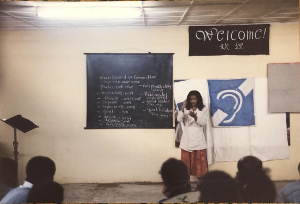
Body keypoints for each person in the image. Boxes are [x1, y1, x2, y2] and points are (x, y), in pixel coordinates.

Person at [176, 90, 208, 181]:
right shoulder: (186, 109)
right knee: (186, 164)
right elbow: (179, 119)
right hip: (187, 138)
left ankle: (201, 184)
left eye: (195, 99)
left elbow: (204, 122)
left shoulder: (204, 109)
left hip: (198, 137)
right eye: (191, 99)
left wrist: (195, 117)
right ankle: (186, 184)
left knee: (199, 164)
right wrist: (182, 108)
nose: (193, 101)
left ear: (198, 99)